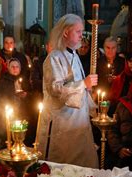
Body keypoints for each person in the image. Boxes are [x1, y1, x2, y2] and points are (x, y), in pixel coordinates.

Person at [36, 13, 99, 168]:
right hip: (61, 122)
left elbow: (78, 85)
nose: (81, 36)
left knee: (81, 164)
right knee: (62, 166)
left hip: (78, 120)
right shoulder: (54, 58)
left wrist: (87, 88)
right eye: (78, 32)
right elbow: (55, 89)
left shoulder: (74, 55)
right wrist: (83, 84)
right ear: (65, 32)